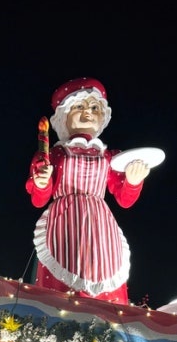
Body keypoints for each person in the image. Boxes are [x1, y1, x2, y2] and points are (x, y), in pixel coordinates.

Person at [26, 77, 151, 306]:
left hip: (101, 226)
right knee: (64, 284)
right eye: (79, 107)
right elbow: (39, 199)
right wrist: (41, 182)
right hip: (65, 222)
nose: (88, 113)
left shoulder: (110, 156)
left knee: (104, 277)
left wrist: (133, 182)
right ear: (64, 116)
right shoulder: (55, 154)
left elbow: (124, 200)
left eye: (94, 108)